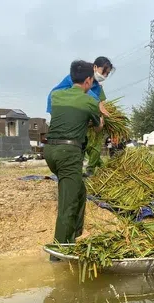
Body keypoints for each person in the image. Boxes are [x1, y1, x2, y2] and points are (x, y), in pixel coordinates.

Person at [44, 60, 104, 247]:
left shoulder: (56, 95)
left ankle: (75, 234)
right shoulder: (90, 100)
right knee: (67, 204)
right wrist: (99, 118)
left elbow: (64, 118)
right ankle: (59, 250)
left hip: (50, 151)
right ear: (88, 81)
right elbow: (98, 127)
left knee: (79, 190)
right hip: (68, 153)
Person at [47, 56, 114, 177]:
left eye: (107, 74)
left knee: (86, 141)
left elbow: (99, 103)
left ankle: (83, 166)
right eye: (103, 71)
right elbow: (86, 95)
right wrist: (97, 104)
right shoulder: (77, 78)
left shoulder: (97, 86)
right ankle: (67, 163)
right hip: (61, 107)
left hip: (79, 113)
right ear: (94, 67)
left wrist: (100, 114)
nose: (105, 75)